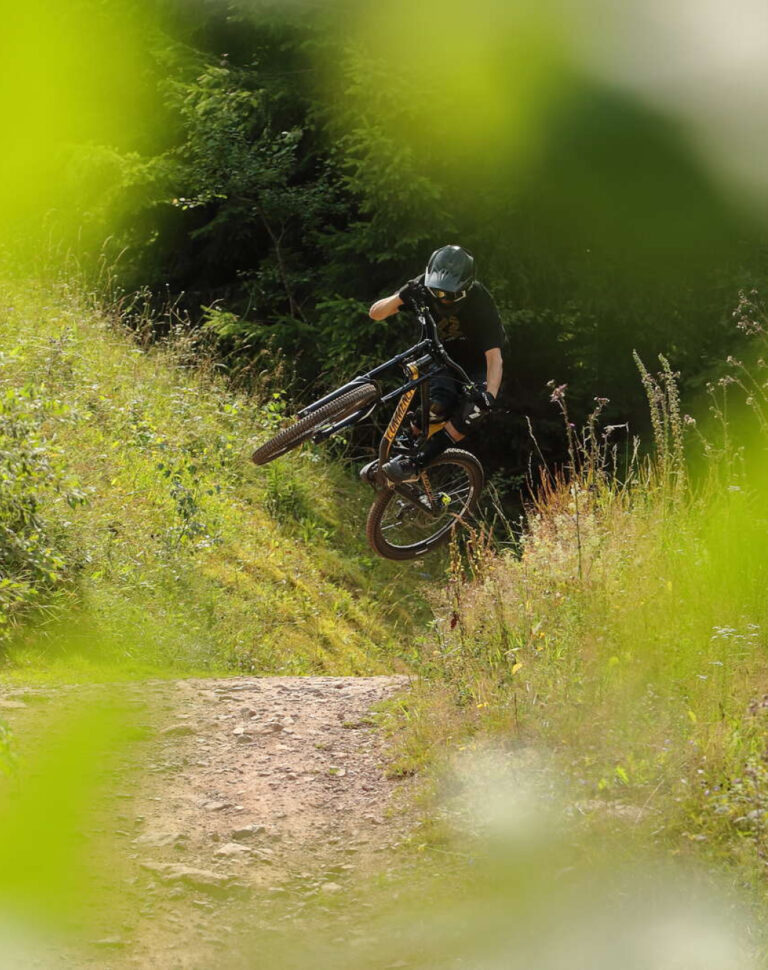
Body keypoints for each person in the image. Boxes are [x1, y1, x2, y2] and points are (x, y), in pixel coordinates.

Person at [368, 244, 505, 482]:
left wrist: (489, 396)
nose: (443, 298)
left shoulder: (480, 300)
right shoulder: (423, 286)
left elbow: (494, 356)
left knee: (473, 411)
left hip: (476, 364)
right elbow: (376, 314)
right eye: (437, 292)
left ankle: (417, 463)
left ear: (467, 287)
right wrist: (401, 296)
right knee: (439, 403)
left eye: (451, 295)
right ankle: (407, 442)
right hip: (441, 357)